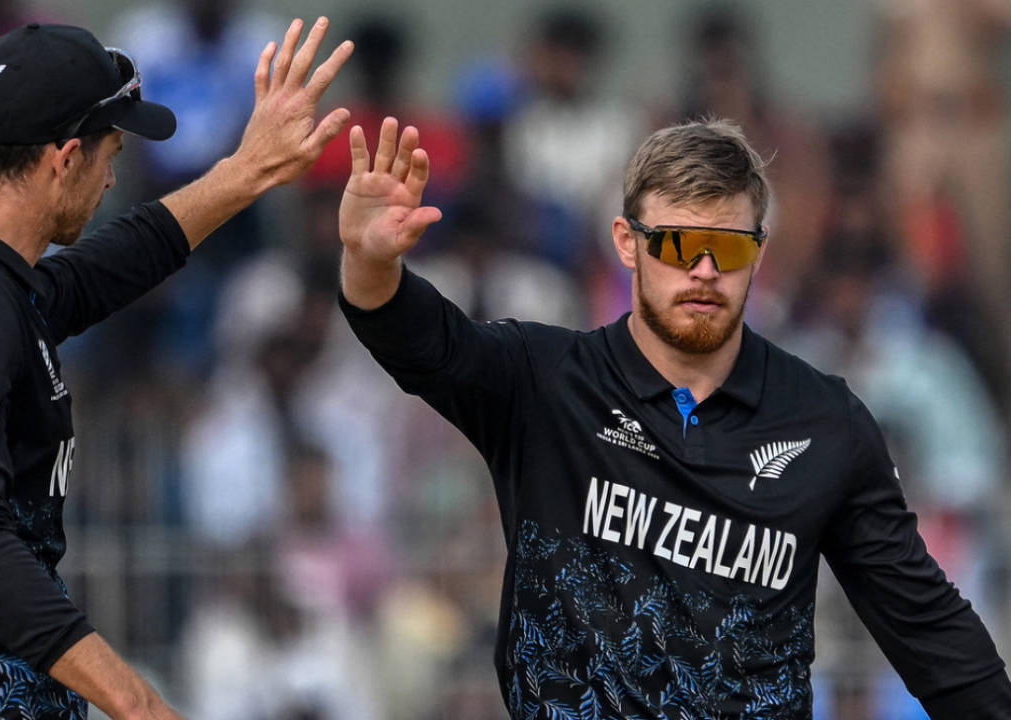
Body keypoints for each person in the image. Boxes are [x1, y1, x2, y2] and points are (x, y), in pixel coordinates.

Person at [336, 116, 1011, 717]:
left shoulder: (826, 420)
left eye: (732, 247)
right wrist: (369, 262)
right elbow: (416, 338)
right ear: (627, 243)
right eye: (681, 245)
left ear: (760, 253)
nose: (707, 271)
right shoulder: (543, 381)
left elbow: (930, 631)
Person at [0, 18, 352, 720]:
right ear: (64, 159)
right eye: (111, 154)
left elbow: (101, 271)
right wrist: (135, 700)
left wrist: (247, 170)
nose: (112, 179)